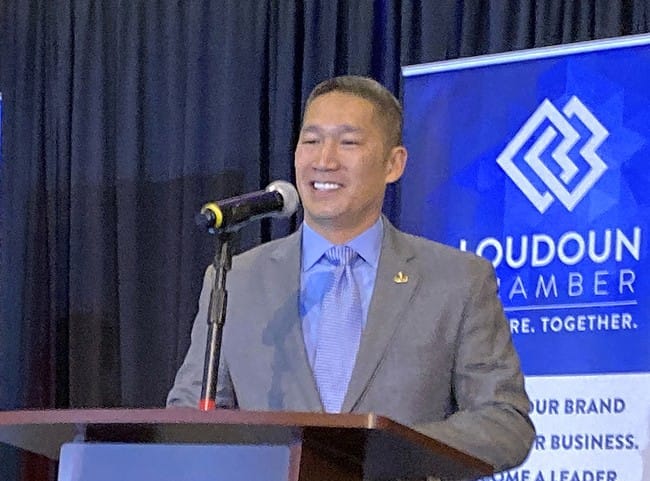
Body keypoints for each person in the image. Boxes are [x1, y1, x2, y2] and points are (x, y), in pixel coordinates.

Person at [167, 75, 535, 473]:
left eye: (349, 142)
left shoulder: (458, 280)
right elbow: (190, 413)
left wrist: (386, 450)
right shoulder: (236, 279)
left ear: (393, 163)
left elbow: (504, 422)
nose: (324, 160)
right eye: (311, 140)